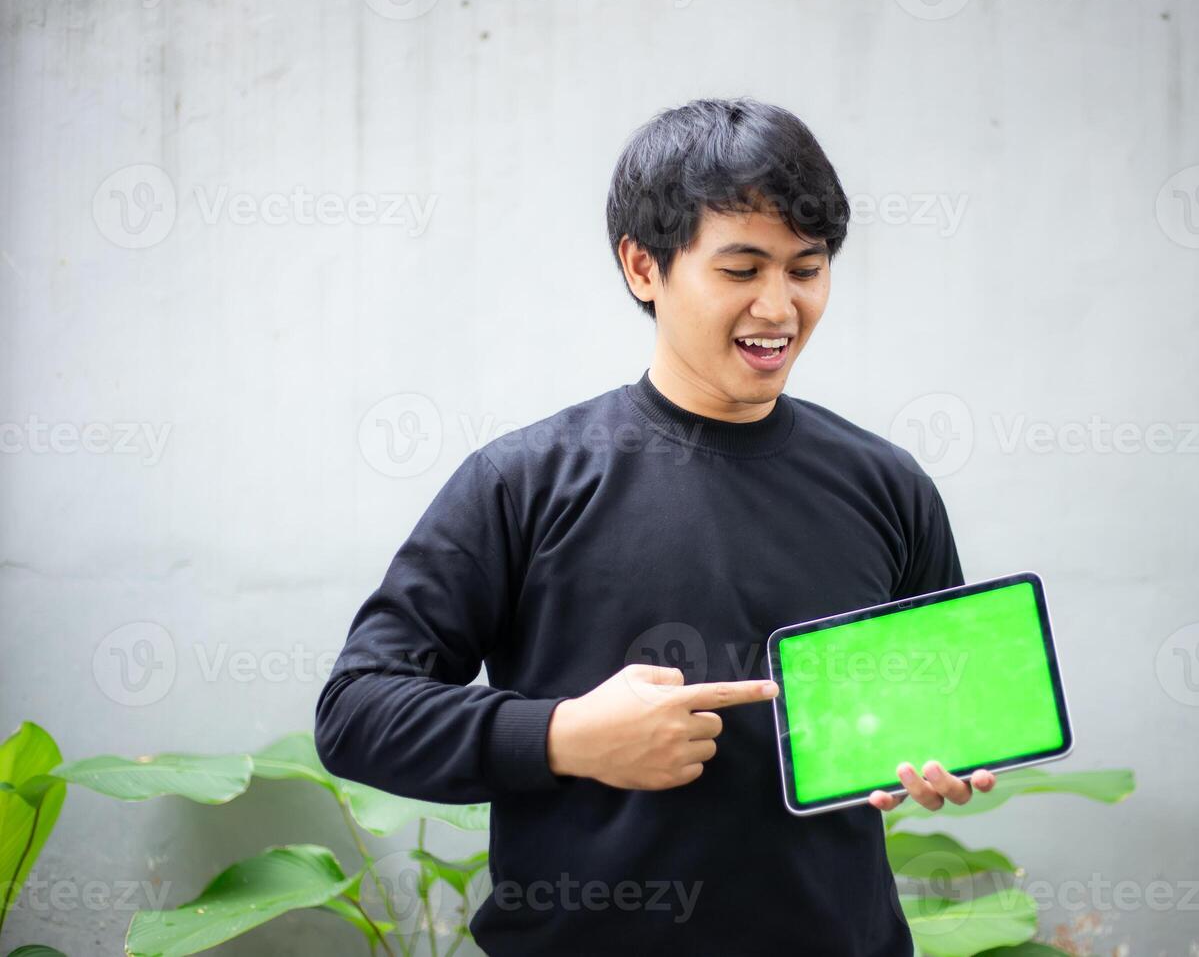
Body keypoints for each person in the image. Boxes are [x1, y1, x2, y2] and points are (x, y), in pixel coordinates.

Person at [314, 96, 995, 957]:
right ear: (644, 266)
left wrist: (930, 760)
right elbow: (356, 711)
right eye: (742, 270)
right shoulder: (524, 482)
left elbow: (935, 704)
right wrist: (564, 737)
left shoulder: (885, 484)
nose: (780, 308)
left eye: (806, 268)